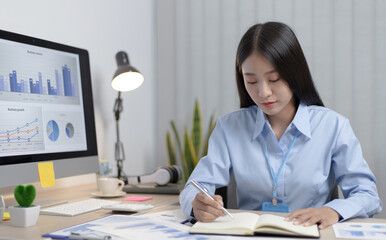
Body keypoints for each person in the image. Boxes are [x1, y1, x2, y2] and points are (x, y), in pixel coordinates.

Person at [179, 22, 382, 229]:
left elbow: (367, 195)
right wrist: (197, 204)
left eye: (274, 79)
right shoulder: (230, 127)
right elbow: (195, 187)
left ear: (295, 73)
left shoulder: (333, 126)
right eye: (251, 81)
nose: (263, 92)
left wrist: (333, 211)